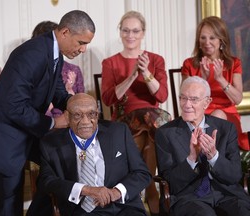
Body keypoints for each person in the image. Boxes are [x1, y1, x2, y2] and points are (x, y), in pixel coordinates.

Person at [0, 10, 95, 216]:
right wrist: (52, 123)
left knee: (57, 164)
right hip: (2, 138)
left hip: (24, 132)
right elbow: (13, 105)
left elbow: (58, 91)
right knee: (8, 205)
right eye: (81, 42)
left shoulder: (53, 51)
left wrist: (79, 105)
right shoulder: (32, 53)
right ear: (66, 32)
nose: (84, 49)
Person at [101, 10, 171, 215]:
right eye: (126, 31)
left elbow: (162, 95)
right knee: (149, 136)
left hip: (152, 119)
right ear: (120, 32)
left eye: (135, 31)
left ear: (143, 33)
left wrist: (146, 72)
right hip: (125, 119)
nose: (130, 35)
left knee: (149, 135)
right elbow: (107, 99)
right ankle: (152, 194)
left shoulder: (156, 60)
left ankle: (140, 192)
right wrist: (132, 76)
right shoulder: (110, 63)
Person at [37, 93, 152, 216]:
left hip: (124, 207)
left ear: (97, 114)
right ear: (67, 116)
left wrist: (116, 192)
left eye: (91, 114)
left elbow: (142, 173)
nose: (86, 121)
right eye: (77, 115)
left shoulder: (119, 132)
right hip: (81, 210)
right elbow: (45, 181)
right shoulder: (51, 143)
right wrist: (86, 190)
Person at [155, 76, 250, 216]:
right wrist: (191, 159)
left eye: (194, 99)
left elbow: (235, 175)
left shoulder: (226, 129)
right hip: (190, 198)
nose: (187, 104)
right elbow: (170, 182)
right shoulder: (165, 133)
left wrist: (214, 157)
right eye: (183, 98)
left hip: (227, 194)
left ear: (207, 102)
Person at [181, 16, 250, 151]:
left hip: (227, 114)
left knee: (218, 115)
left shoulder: (233, 63)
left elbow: (237, 99)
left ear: (221, 40)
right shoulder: (189, 64)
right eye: (203, 38)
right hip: (198, 113)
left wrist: (220, 79)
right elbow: (185, 97)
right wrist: (203, 79)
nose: (207, 42)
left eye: (212, 38)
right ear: (198, 41)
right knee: (207, 119)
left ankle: (213, 160)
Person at [31, 20, 85, 117]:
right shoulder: (32, 66)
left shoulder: (72, 68)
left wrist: (70, 93)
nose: (83, 49)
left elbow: (79, 100)